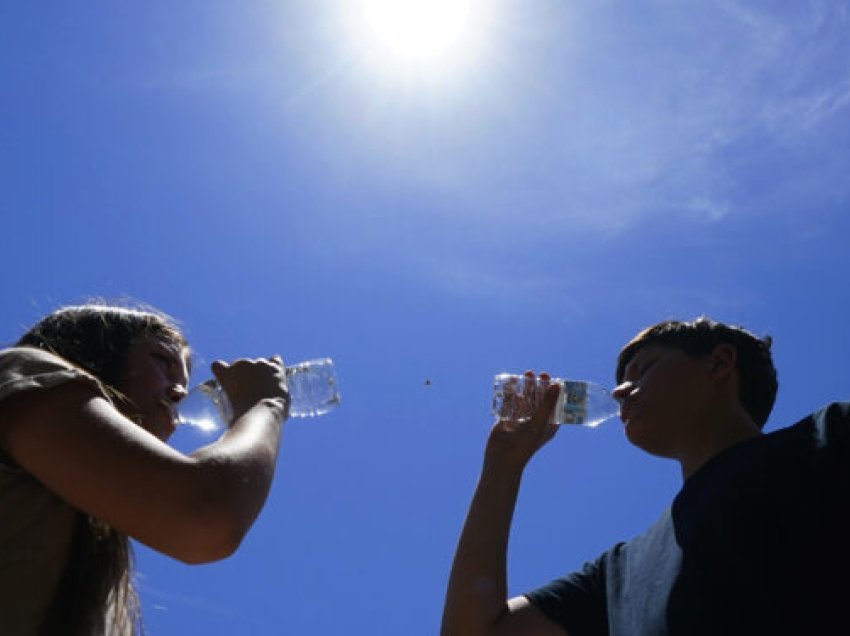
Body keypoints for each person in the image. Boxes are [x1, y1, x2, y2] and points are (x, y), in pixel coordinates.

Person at [441, 317, 850, 636]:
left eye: (643, 370)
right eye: (621, 381)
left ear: (720, 363)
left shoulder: (828, 438)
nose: (620, 392)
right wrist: (502, 468)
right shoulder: (619, 572)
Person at [0, 303, 290, 635]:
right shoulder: (23, 371)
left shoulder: (95, 534)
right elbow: (205, 514)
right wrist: (265, 405)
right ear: (97, 348)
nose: (180, 392)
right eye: (162, 361)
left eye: (183, 381)